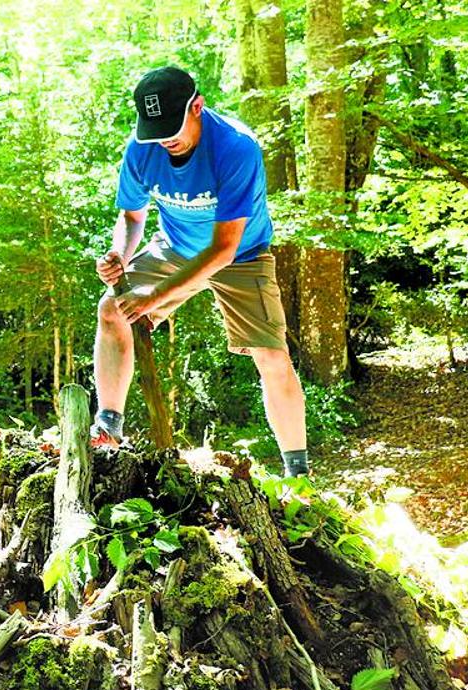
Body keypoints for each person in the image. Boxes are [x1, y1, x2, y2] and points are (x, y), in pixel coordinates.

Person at [90, 65, 309, 478]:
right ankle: (108, 425)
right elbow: (133, 216)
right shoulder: (141, 148)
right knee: (111, 309)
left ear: (197, 106)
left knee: (271, 354)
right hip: (175, 246)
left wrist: (152, 299)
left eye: (172, 127)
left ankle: (298, 476)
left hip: (242, 254)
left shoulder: (236, 147)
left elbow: (225, 248)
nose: (165, 139)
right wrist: (119, 254)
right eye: (155, 130)